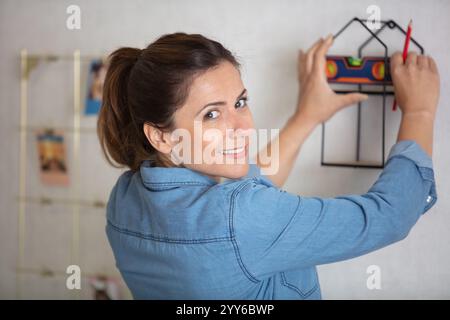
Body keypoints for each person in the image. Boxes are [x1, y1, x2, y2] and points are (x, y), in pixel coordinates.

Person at [97, 32, 439, 299]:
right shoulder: (242, 219)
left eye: (240, 102)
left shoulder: (125, 199)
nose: (244, 127)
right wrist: (420, 112)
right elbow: (389, 217)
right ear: (160, 137)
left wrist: (306, 116)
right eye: (212, 114)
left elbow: (240, 210)